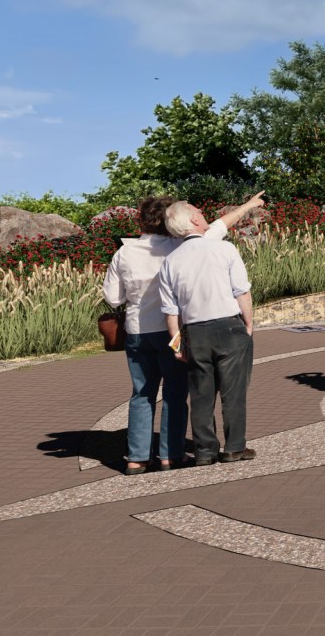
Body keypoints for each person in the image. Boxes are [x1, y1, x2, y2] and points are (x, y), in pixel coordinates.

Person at [103, 192, 264, 475]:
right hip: (177, 332)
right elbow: (221, 225)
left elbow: (113, 298)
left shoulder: (125, 252)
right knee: (176, 394)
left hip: (138, 332)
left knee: (142, 394)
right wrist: (248, 206)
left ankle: (137, 458)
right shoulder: (180, 248)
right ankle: (170, 455)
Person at [160, 201, 257, 467]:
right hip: (228, 326)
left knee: (201, 395)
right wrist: (248, 324)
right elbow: (242, 291)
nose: (204, 215)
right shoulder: (223, 248)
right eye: (200, 213)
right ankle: (234, 447)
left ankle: (205, 451)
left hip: (195, 331)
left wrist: (176, 344)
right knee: (233, 392)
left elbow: (171, 310)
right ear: (192, 220)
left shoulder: (170, 261)